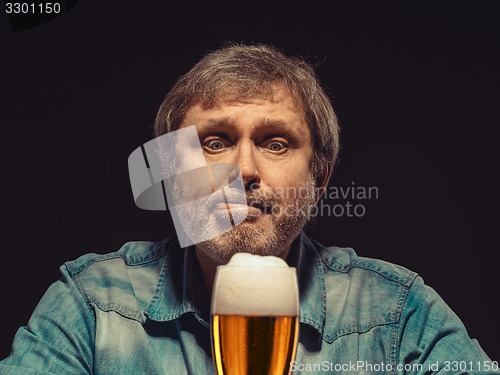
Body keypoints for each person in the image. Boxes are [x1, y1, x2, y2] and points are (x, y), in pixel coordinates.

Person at [0, 42, 498, 374]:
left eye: (276, 143)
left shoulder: (396, 312)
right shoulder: (91, 304)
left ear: (319, 182)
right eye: (213, 142)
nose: (243, 169)